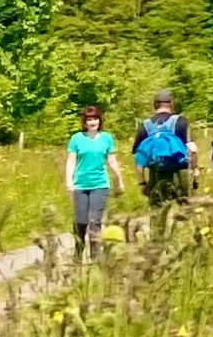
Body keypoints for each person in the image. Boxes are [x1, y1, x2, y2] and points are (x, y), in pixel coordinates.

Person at [64, 105, 123, 257]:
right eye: (89, 119)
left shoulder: (106, 138)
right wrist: (69, 182)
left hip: (100, 185)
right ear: (84, 122)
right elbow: (71, 161)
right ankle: (78, 254)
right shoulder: (76, 138)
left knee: (94, 221)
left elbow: (112, 160)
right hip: (81, 185)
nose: (92, 122)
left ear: (99, 120)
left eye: (95, 119)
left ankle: (95, 257)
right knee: (80, 222)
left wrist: (119, 180)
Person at [133, 89, 196, 216]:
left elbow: (139, 160)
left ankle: (157, 234)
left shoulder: (145, 126)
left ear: (154, 105)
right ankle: (182, 234)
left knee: (158, 213)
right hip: (180, 173)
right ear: (171, 104)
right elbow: (193, 149)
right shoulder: (181, 121)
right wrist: (195, 170)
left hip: (156, 174)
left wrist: (142, 183)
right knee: (184, 212)